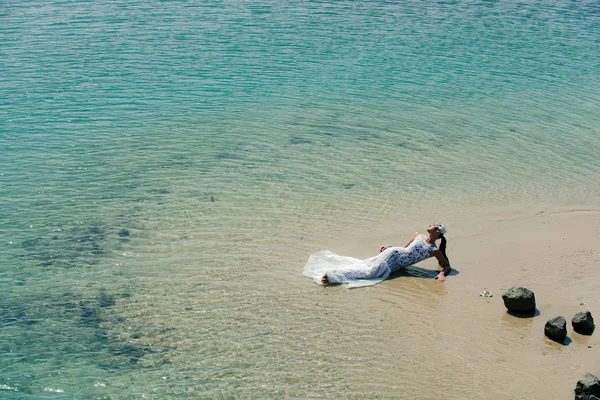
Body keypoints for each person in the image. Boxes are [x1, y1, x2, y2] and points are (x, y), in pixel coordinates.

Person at [303, 223, 451, 287]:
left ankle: (333, 274)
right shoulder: (417, 235)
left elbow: (446, 265)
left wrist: (442, 274)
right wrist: (389, 247)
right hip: (391, 255)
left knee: (368, 270)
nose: (431, 224)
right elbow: (404, 248)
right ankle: (331, 276)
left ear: (438, 232)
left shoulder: (434, 250)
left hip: (394, 265)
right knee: (368, 270)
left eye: (435, 224)